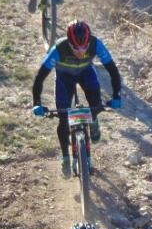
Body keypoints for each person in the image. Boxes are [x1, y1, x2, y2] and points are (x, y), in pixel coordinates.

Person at [31, 20, 122, 178]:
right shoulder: (58, 49)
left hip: (86, 72)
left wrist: (116, 96)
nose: (80, 52)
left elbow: (113, 71)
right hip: (64, 77)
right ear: (69, 43)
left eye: (84, 47)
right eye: (75, 48)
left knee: (96, 104)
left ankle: (93, 120)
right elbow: (40, 77)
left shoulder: (96, 44)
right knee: (63, 118)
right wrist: (36, 103)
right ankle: (65, 158)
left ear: (89, 42)